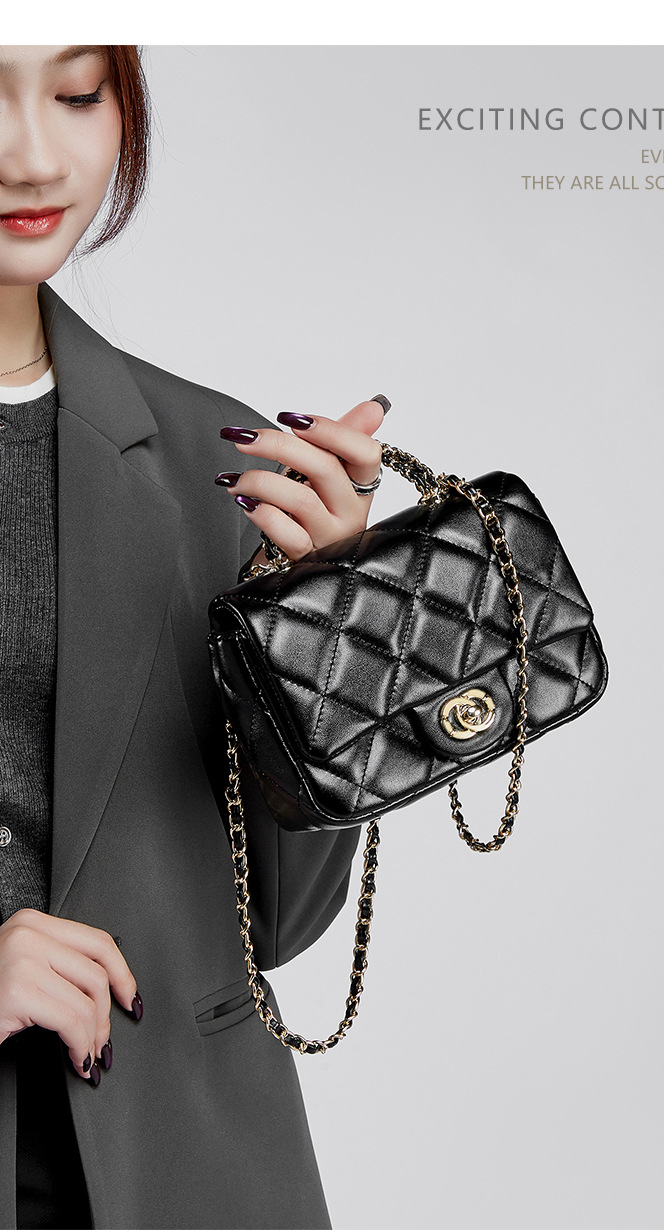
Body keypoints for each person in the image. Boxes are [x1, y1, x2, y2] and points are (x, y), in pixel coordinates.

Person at [0, 45, 387, 1230]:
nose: (33, 155)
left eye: (78, 95)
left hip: (174, 1166)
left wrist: (317, 627)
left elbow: (278, 921)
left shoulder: (212, 461)